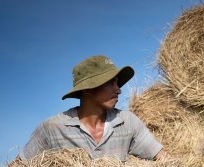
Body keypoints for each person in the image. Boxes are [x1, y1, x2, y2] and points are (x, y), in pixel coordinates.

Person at [20, 55, 164, 161]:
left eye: (117, 83)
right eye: (110, 83)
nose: (118, 90)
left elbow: (163, 158)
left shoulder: (127, 122)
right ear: (87, 89)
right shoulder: (51, 129)